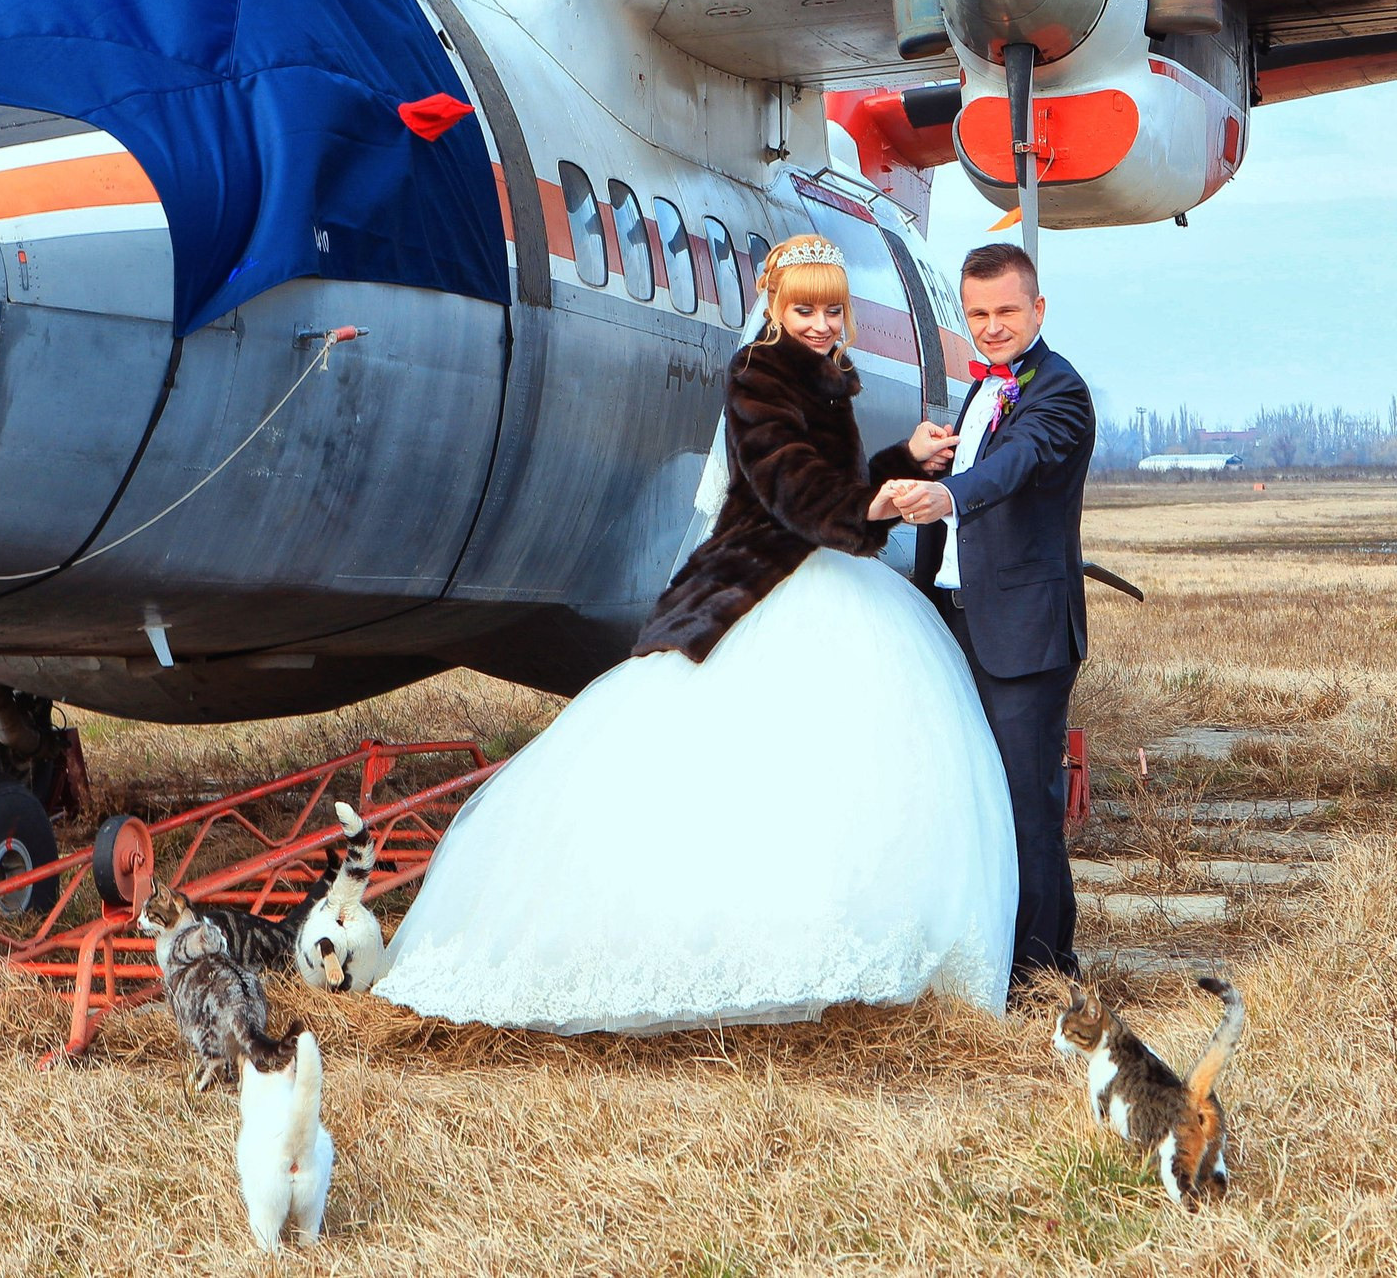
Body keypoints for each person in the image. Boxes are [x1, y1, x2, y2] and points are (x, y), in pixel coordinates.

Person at [373, 235, 1018, 1034]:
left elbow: (833, 480)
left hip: (821, 571)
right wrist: (888, 501)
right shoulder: (757, 377)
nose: (821, 324)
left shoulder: (822, 375)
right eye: (804, 309)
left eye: (832, 310)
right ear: (773, 309)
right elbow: (793, 494)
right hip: (763, 576)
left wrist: (902, 457)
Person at [888, 242, 1096, 986]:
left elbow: (1020, 462)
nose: (992, 326)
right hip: (956, 619)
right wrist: (926, 464)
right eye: (977, 313)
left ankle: (1043, 967)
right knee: (970, 791)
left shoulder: (1060, 392)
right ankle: (993, 949)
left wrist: (950, 493)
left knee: (1024, 801)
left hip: (1023, 631)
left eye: (1007, 310)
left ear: (1038, 308)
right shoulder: (982, 389)